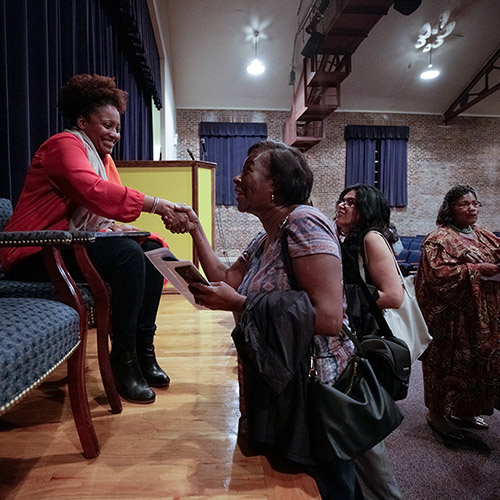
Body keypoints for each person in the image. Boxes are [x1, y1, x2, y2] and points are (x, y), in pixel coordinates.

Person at [168, 141, 358, 499]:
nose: (237, 178)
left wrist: (239, 303)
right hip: (284, 377)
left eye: (249, 168)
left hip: (317, 383)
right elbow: (226, 277)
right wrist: (195, 227)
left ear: (276, 184)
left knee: (330, 478)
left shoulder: (305, 221)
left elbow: (330, 317)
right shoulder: (265, 236)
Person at [0, 74, 188, 405]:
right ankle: (123, 359)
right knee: (128, 255)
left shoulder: (104, 160)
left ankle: (144, 350)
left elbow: (103, 212)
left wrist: (117, 228)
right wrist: (158, 205)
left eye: (118, 128)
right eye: (107, 125)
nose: (115, 134)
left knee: (154, 247)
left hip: (64, 247)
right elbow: (93, 190)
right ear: (83, 121)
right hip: (31, 252)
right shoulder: (63, 145)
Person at [415, 185, 500, 442]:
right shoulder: (439, 239)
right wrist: (477, 270)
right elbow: (438, 275)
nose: (472, 208)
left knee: (475, 364)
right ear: (450, 208)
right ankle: (437, 414)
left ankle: (466, 410)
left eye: (475, 203)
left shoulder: (484, 235)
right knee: (445, 365)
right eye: (464, 203)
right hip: (450, 319)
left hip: (480, 318)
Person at [335, 184, 404, 500]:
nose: (342, 205)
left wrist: (339, 297)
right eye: (342, 200)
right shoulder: (347, 239)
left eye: (352, 203)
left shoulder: (371, 238)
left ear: (367, 210)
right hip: (350, 338)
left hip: (366, 340)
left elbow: (393, 295)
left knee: (363, 425)